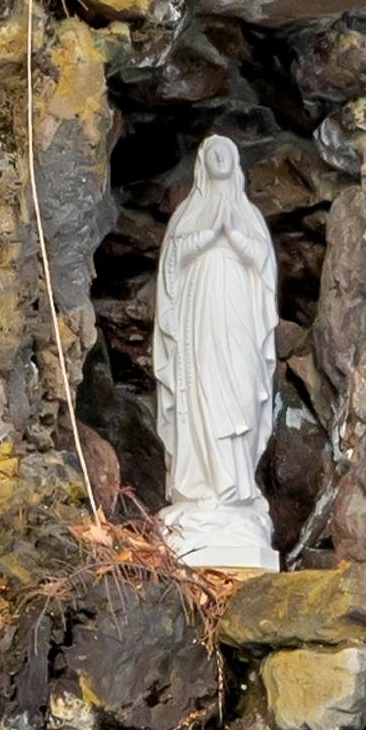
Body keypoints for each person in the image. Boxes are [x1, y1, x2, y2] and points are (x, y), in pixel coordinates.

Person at [154, 135, 282, 571]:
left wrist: (235, 237)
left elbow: (263, 267)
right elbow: (174, 261)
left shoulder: (249, 215)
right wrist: (211, 234)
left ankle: (237, 491)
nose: (221, 160)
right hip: (199, 317)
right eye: (213, 155)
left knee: (241, 390)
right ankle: (203, 491)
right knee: (204, 394)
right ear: (203, 166)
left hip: (239, 317)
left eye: (227, 153)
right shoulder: (187, 215)